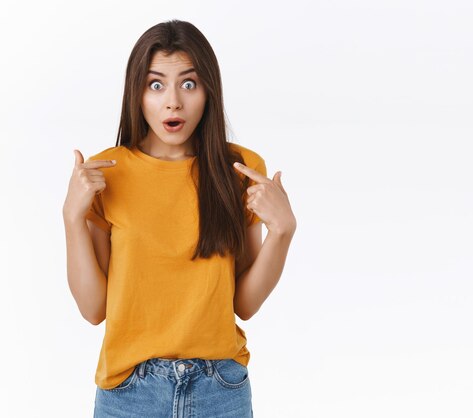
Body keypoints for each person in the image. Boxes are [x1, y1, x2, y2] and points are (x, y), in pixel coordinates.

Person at [62, 19, 297, 417]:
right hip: (129, 394)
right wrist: (72, 217)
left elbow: (245, 304)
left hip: (220, 389)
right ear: (136, 92)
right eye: (156, 84)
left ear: (208, 90)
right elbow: (92, 309)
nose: (173, 102)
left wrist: (283, 232)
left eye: (188, 84)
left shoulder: (238, 169)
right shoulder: (108, 172)